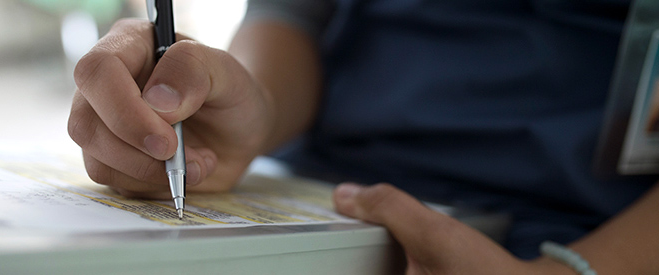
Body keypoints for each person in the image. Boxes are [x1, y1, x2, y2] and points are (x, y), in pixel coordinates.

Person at [68, 0, 659, 273]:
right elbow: (297, 16)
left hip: (578, 237)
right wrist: (248, 108)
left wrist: (572, 270)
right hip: (315, 197)